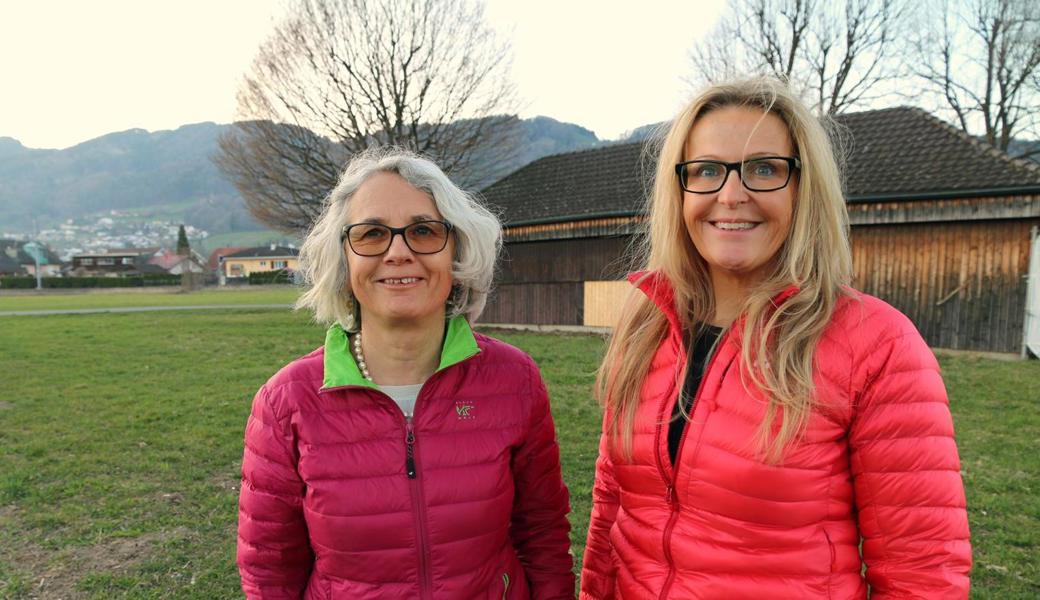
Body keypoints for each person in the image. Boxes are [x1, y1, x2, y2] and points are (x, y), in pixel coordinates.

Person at [579, 78, 972, 599]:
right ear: (679, 191)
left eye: (765, 169)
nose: (732, 194)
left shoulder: (876, 344)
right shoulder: (644, 327)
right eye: (706, 171)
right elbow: (612, 511)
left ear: (803, 188)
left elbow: (922, 574)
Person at [237, 149, 574, 599]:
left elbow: (544, 539)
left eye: (423, 231)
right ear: (344, 259)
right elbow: (270, 571)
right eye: (373, 233)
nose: (398, 252)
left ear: (457, 250)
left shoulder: (515, 380)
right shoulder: (287, 401)